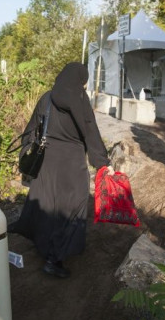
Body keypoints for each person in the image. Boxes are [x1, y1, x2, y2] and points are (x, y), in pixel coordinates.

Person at [9, 62, 113, 279]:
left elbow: (30, 131)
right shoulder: (80, 100)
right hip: (72, 165)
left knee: (47, 203)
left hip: (47, 160)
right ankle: (53, 259)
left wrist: (26, 158)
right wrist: (103, 162)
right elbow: (91, 132)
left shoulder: (47, 98)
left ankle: (41, 243)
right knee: (70, 208)